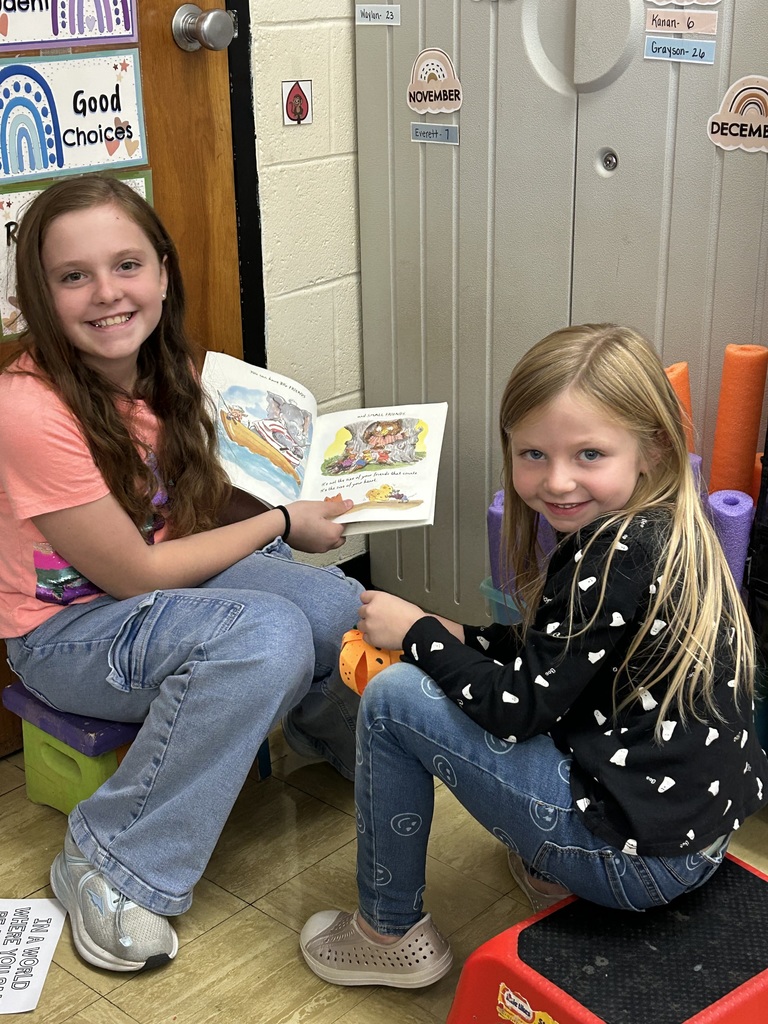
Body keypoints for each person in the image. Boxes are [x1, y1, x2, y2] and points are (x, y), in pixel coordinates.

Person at [300, 323, 768, 990]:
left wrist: (417, 637)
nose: (557, 481)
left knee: (392, 699)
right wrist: (459, 633)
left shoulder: (609, 559)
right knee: (466, 675)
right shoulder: (669, 529)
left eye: (588, 454)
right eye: (533, 454)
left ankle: (388, 933)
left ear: (652, 449)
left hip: (636, 862)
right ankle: (552, 867)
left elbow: (517, 709)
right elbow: (560, 660)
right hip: (696, 839)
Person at [0, 174, 362, 973]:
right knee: (264, 636)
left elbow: (182, 522)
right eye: (73, 276)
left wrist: (285, 483)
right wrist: (279, 523)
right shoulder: (28, 409)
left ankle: (340, 743)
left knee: (338, 605)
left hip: (165, 592)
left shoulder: (169, 374)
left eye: (127, 265)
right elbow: (132, 574)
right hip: (66, 632)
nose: (107, 294)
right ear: (39, 295)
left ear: (163, 272)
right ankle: (111, 860)